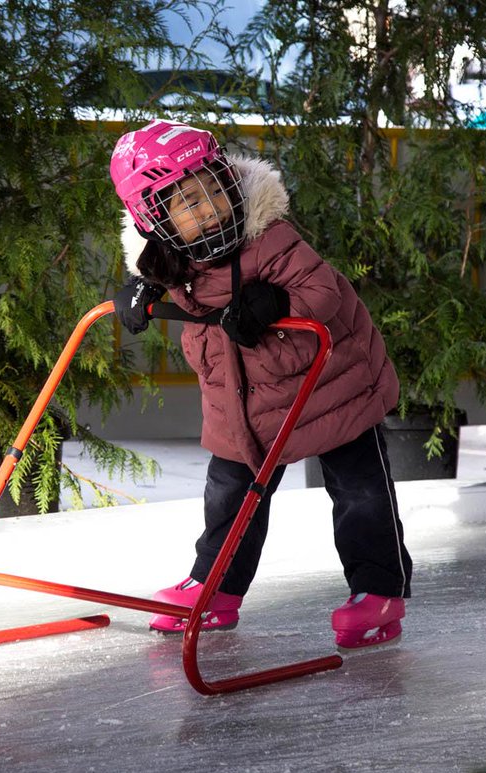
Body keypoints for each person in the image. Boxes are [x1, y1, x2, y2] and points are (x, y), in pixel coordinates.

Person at [109, 119, 411, 649]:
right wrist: (139, 291)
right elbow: (161, 279)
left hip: (330, 383)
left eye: (213, 190)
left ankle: (379, 591)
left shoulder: (267, 234)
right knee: (228, 495)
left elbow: (323, 290)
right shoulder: (166, 257)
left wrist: (277, 302)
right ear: (153, 218)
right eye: (188, 203)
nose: (209, 208)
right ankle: (216, 589)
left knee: (359, 490)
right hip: (242, 395)